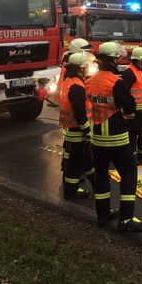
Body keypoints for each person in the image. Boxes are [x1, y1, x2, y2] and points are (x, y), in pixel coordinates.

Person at [85, 41, 142, 232]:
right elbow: (131, 107)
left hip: (97, 138)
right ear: (114, 60)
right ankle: (126, 219)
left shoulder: (89, 81)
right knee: (129, 175)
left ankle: (103, 215)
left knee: (102, 176)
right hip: (117, 137)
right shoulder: (116, 83)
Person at [59, 51, 96, 198]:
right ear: (81, 68)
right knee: (76, 163)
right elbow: (80, 113)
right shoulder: (77, 87)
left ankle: (95, 183)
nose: (88, 68)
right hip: (77, 131)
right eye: (86, 66)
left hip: (71, 130)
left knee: (85, 159)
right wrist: (87, 130)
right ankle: (71, 191)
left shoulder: (69, 81)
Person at [122, 47, 142, 163]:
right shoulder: (129, 73)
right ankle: (130, 157)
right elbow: (124, 92)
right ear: (140, 60)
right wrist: (127, 108)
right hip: (133, 110)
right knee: (132, 134)